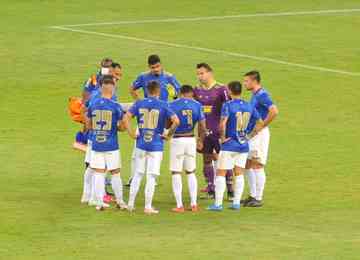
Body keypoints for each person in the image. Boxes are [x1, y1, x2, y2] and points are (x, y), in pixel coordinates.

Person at [124, 81, 179, 214]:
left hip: (141, 143)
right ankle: (148, 206)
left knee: (137, 174)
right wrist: (169, 135)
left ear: (147, 91)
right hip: (156, 145)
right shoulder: (163, 104)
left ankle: (130, 204)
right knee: (151, 176)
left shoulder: (139, 103)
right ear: (158, 91)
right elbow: (176, 121)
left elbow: (126, 118)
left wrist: (132, 133)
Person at [207, 81, 263, 211]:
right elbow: (260, 122)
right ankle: (236, 203)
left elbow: (222, 124)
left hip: (230, 145)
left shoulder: (228, 105)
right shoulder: (249, 106)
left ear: (230, 91)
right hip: (243, 145)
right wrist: (249, 136)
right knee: (239, 173)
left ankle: (218, 204)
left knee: (221, 173)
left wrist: (222, 138)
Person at [126, 54, 181, 186]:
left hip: (161, 115)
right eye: (153, 67)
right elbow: (131, 88)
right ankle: (134, 177)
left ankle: (152, 177)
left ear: (161, 64)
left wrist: (173, 97)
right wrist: (140, 102)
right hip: (146, 115)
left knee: (156, 146)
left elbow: (179, 93)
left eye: (157, 66)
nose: (156, 69)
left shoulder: (169, 77)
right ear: (149, 67)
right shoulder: (143, 76)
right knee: (137, 148)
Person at [85, 75, 127, 211]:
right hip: (111, 145)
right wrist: (120, 127)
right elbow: (122, 127)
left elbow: (88, 123)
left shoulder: (93, 104)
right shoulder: (115, 106)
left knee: (98, 172)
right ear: (112, 89)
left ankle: (99, 203)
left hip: (97, 143)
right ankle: (120, 202)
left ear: (101, 89)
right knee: (115, 173)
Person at [193, 63, 233, 199]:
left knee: (224, 160)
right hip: (204, 131)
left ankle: (230, 189)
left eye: (202, 73)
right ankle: (211, 188)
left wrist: (226, 129)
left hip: (219, 130)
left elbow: (230, 108)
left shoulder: (221, 89)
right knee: (206, 159)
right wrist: (199, 137)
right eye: (198, 74)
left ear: (210, 73)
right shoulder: (196, 90)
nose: (200, 76)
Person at [242, 71, 279, 207]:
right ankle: (251, 195)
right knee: (247, 163)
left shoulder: (262, 95)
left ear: (254, 81)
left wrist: (262, 125)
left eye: (246, 81)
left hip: (260, 135)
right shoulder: (255, 95)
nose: (244, 83)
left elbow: (274, 111)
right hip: (253, 134)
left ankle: (258, 197)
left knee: (257, 164)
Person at [169, 85, 206, 212]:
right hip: (191, 140)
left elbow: (168, 122)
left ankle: (179, 205)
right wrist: (200, 140)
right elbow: (202, 125)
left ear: (180, 93)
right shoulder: (197, 105)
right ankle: (194, 204)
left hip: (177, 140)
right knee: (190, 172)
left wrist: (167, 134)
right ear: (191, 93)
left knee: (176, 172)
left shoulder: (172, 104)